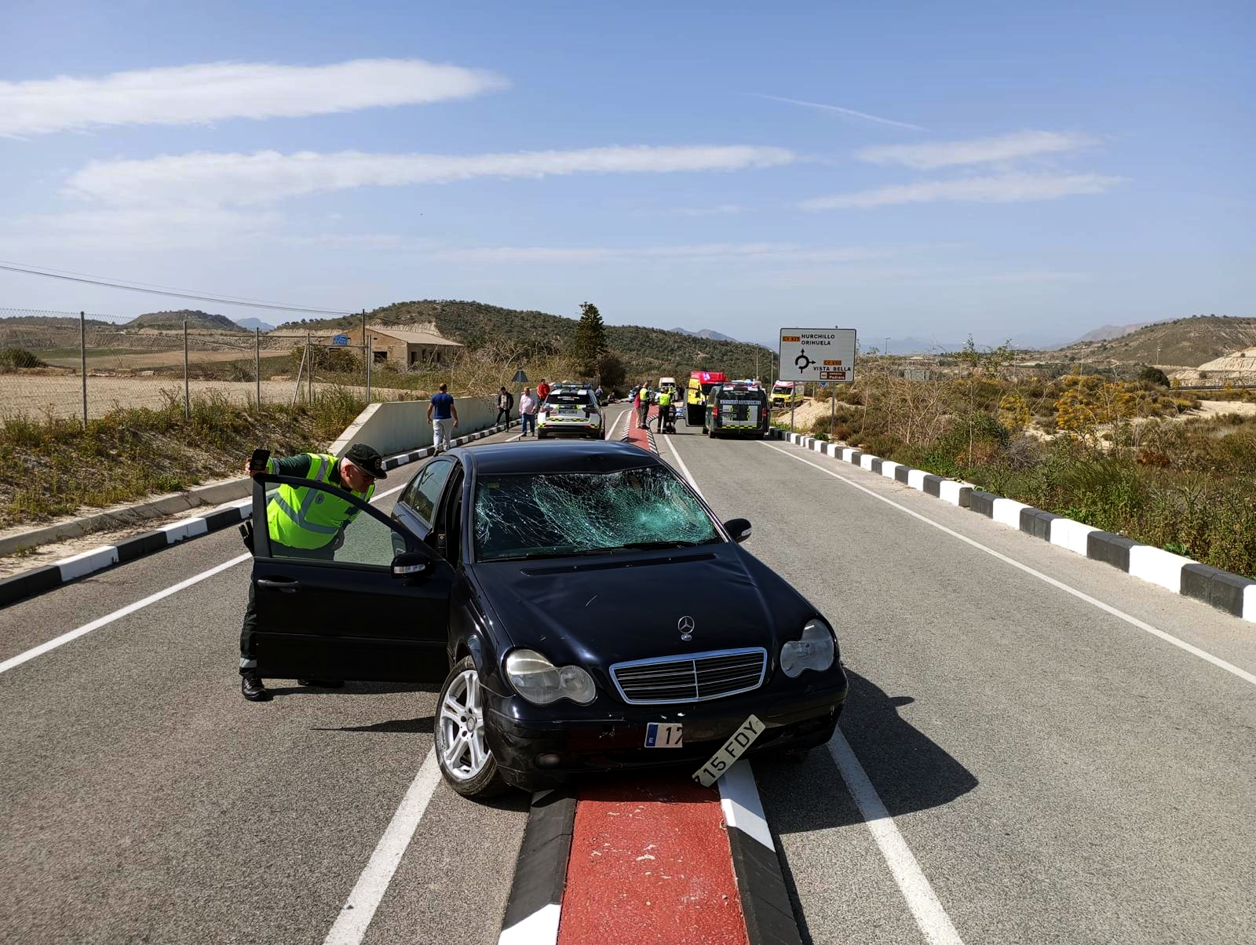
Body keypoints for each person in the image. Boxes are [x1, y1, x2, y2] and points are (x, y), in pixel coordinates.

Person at [239, 443, 386, 702]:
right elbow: (277, 467)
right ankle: (251, 671)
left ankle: (308, 668)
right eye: (367, 476)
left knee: (314, 611)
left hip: (318, 554)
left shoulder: (365, 490)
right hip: (276, 547)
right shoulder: (314, 466)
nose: (371, 482)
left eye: (373, 477)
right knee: (262, 608)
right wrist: (258, 468)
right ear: (348, 469)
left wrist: (336, 536)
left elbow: (348, 516)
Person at [427, 383, 459, 453]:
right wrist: (456, 419)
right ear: (446, 388)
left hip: (437, 419)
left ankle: (437, 447)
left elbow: (429, 408)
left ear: (439, 389)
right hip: (447, 419)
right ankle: (446, 449)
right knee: (447, 434)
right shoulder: (449, 397)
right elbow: (453, 409)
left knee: (437, 434)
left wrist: (428, 417)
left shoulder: (434, 397)